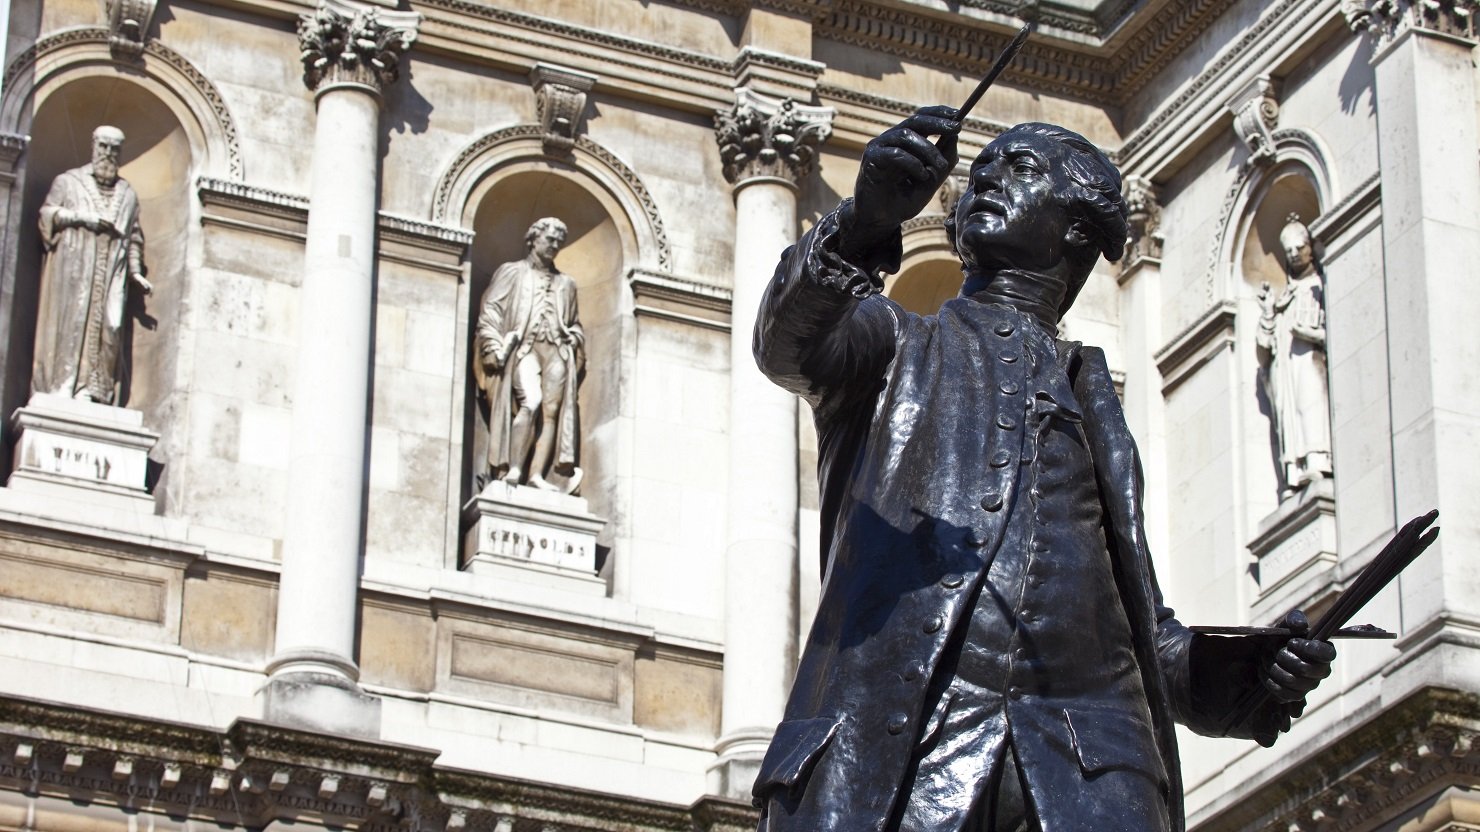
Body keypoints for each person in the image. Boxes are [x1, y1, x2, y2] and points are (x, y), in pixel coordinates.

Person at [750, 108, 1336, 832]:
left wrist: (1248, 673)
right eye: (982, 171)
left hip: (1092, 778)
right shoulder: (893, 341)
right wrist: (865, 220)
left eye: (1020, 169)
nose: (988, 179)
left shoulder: (1099, 409)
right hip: (897, 755)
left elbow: (1150, 646)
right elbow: (788, 345)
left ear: (1078, 229)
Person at [32, 125, 150, 404]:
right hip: (73, 267)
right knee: (71, 322)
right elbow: (46, 214)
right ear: (93, 146)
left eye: (114, 149)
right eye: (103, 146)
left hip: (113, 272)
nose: (108, 154)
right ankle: (63, 385)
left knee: (111, 326)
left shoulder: (128, 193)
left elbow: (134, 236)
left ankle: (94, 391)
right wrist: (82, 219)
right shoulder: (68, 181)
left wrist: (135, 272)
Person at [473, 217, 585, 492]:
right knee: (531, 402)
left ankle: (536, 475)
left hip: (556, 350)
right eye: (550, 239)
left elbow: (575, 323)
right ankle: (514, 468)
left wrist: (574, 337)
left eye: (559, 242)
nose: (555, 246)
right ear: (533, 239)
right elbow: (491, 312)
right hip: (525, 350)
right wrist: (494, 346)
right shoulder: (512, 272)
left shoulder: (566, 284)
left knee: (551, 412)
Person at [1257, 215, 1332, 500]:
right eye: (1288, 252)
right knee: (1287, 413)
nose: (1293, 255)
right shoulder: (1283, 297)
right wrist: (1266, 312)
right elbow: (1266, 344)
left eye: (1298, 249)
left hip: (1310, 359)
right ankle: (1294, 471)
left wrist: (1312, 334)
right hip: (1285, 367)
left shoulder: (1318, 287)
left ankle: (1317, 460)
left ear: (1310, 249)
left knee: (1311, 404)